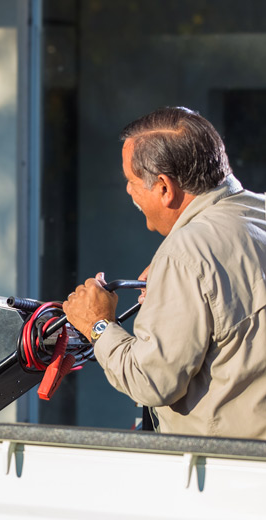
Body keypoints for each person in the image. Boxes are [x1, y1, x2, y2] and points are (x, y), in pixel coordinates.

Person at [63, 106, 266, 440]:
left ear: (163, 188)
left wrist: (98, 324)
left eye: (131, 182)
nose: (129, 191)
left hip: (225, 471)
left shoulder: (187, 251)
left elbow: (152, 380)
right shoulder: (256, 212)